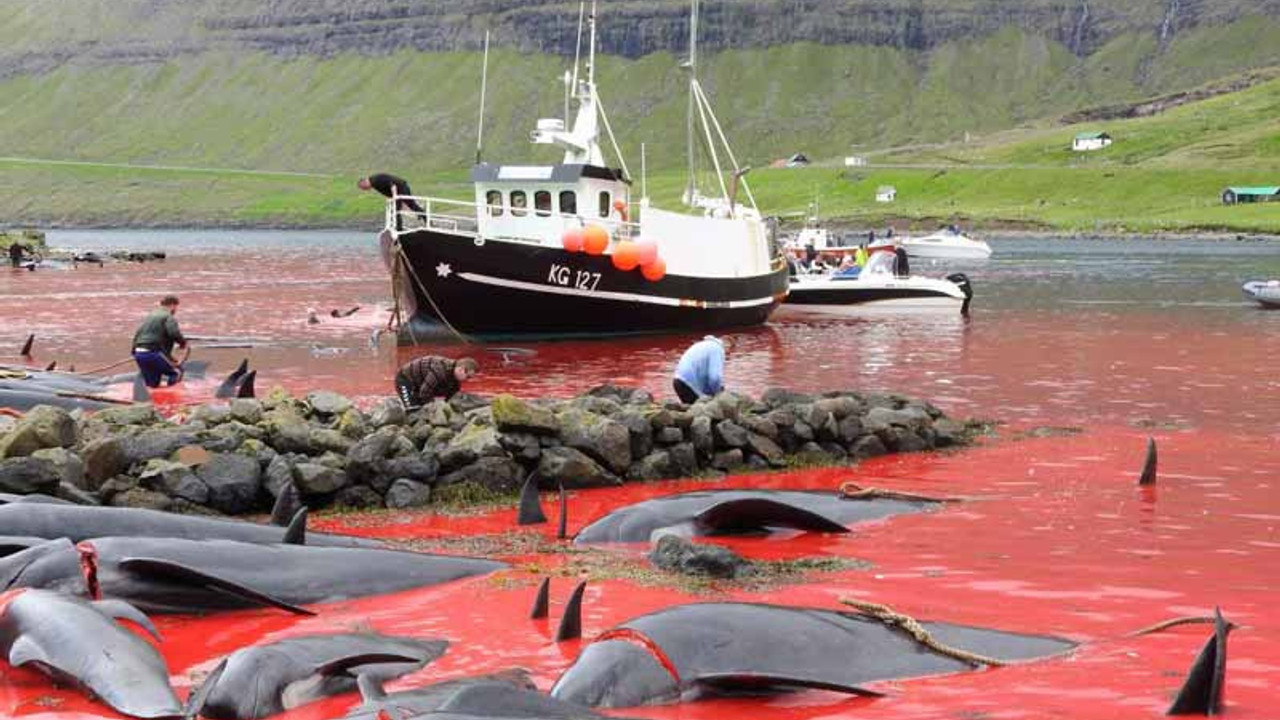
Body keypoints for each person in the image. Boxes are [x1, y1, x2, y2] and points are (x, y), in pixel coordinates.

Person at [132, 295, 188, 388]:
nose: (176, 310)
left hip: (139, 354)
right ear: (173, 305)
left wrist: (134, 352)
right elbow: (173, 333)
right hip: (153, 352)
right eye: (176, 307)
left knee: (152, 384)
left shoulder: (151, 316)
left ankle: (151, 400)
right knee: (176, 372)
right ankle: (173, 400)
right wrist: (183, 343)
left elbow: (138, 333)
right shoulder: (168, 316)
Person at [395, 355, 479, 410]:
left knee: (422, 405)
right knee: (412, 408)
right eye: (468, 376)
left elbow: (451, 396)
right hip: (405, 379)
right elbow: (425, 392)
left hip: (421, 381)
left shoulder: (455, 379)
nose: (467, 380)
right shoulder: (440, 371)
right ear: (461, 369)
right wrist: (434, 409)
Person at [673, 336, 727, 404]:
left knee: (691, 410)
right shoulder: (717, 349)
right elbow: (715, 378)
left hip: (677, 380)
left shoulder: (702, 345)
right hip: (689, 384)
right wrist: (718, 393)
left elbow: (705, 377)